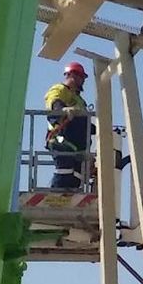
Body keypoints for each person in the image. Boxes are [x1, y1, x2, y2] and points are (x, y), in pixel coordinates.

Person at [45, 61, 92, 190]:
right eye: (81, 77)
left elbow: (84, 122)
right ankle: (55, 197)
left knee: (77, 176)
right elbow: (54, 101)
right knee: (64, 171)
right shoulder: (60, 89)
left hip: (77, 146)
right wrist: (62, 110)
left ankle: (70, 196)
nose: (82, 81)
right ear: (72, 75)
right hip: (61, 139)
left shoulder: (80, 100)